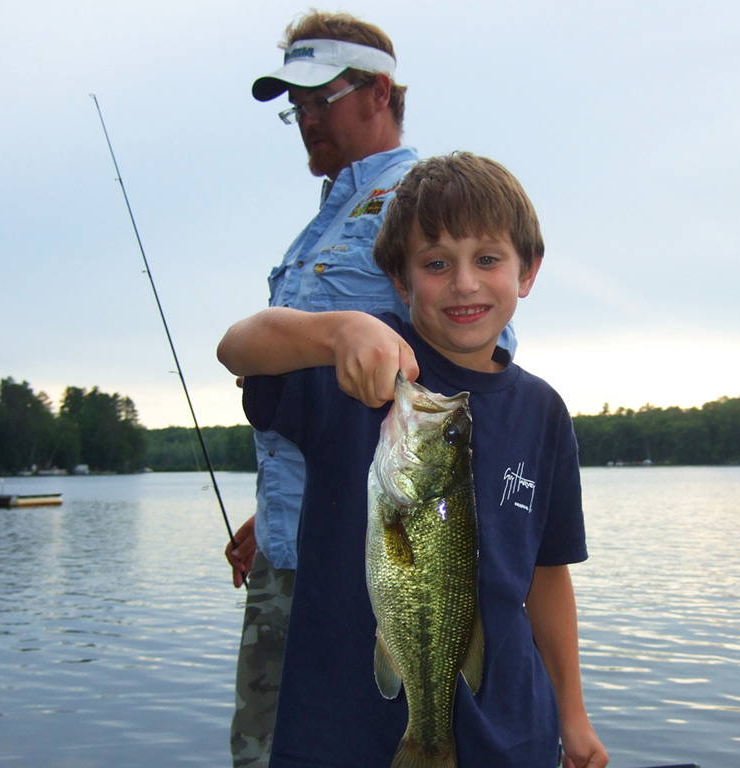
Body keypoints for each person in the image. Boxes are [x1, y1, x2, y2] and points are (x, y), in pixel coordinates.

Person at [217, 153, 609, 767]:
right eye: (435, 263)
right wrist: (336, 332)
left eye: (488, 259)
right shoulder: (360, 373)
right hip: (342, 732)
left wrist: (573, 714)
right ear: (400, 281)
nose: (464, 283)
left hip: (509, 734)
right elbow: (236, 346)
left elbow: (548, 574)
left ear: (527, 271)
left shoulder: (543, 413)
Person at [225, 11, 419, 767]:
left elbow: (469, 373)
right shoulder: (323, 223)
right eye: (294, 106)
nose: (305, 118)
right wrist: (274, 502)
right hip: (285, 548)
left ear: (377, 92)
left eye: (320, 98)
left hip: (357, 561)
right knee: (263, 751)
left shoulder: (421, 201)